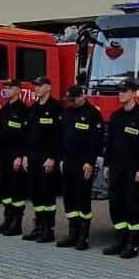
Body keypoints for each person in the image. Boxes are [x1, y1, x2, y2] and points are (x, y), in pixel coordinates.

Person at [101, 79, 139, 259]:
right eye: (119, 91)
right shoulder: (116, 116)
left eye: (124, 90)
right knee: (115, 205)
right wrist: (106, 165)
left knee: (132, 206)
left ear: (133, 93)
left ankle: (132, 244)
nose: (120, 94)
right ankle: (120, 240)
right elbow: (110, 143)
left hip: (133, 170)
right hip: (116, 168)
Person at [56, 85, 103, 251]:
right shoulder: (68, 112)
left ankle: (83, 237)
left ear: (82, 96)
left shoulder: (92, 113)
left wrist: (90, 162)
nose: (71, 102)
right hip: (68, 161)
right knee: (69, 197)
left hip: (84, 163)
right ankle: (72, 234)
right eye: (69, 100)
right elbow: (62, 137)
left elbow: (96, 141)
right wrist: (61, 159)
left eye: (74, 99)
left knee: (82, 198)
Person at [22, 76, 63, 243]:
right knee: (35, 194)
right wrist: (25, 156)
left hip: (47, 158)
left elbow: (59, 137)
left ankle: (48, 229)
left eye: (39, 86)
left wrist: (53, 158)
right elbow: (27, 135)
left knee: (47, 194)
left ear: (48, 87)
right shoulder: (33, 108)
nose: (36, 88)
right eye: (35, 86)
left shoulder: (56, 107)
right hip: (32, 157)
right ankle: (38, 227)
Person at [0, 80, 29, 236]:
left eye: (9, 88)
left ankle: (16, 223)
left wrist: (20, 156)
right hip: (3, 156)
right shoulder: (4, 110)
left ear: (18, 90)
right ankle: (7, 220)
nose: (5, 90)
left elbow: (26, 137)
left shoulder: (23, 110)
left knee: (16, 190)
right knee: (4, 189)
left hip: (15, 157)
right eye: (4, 88)